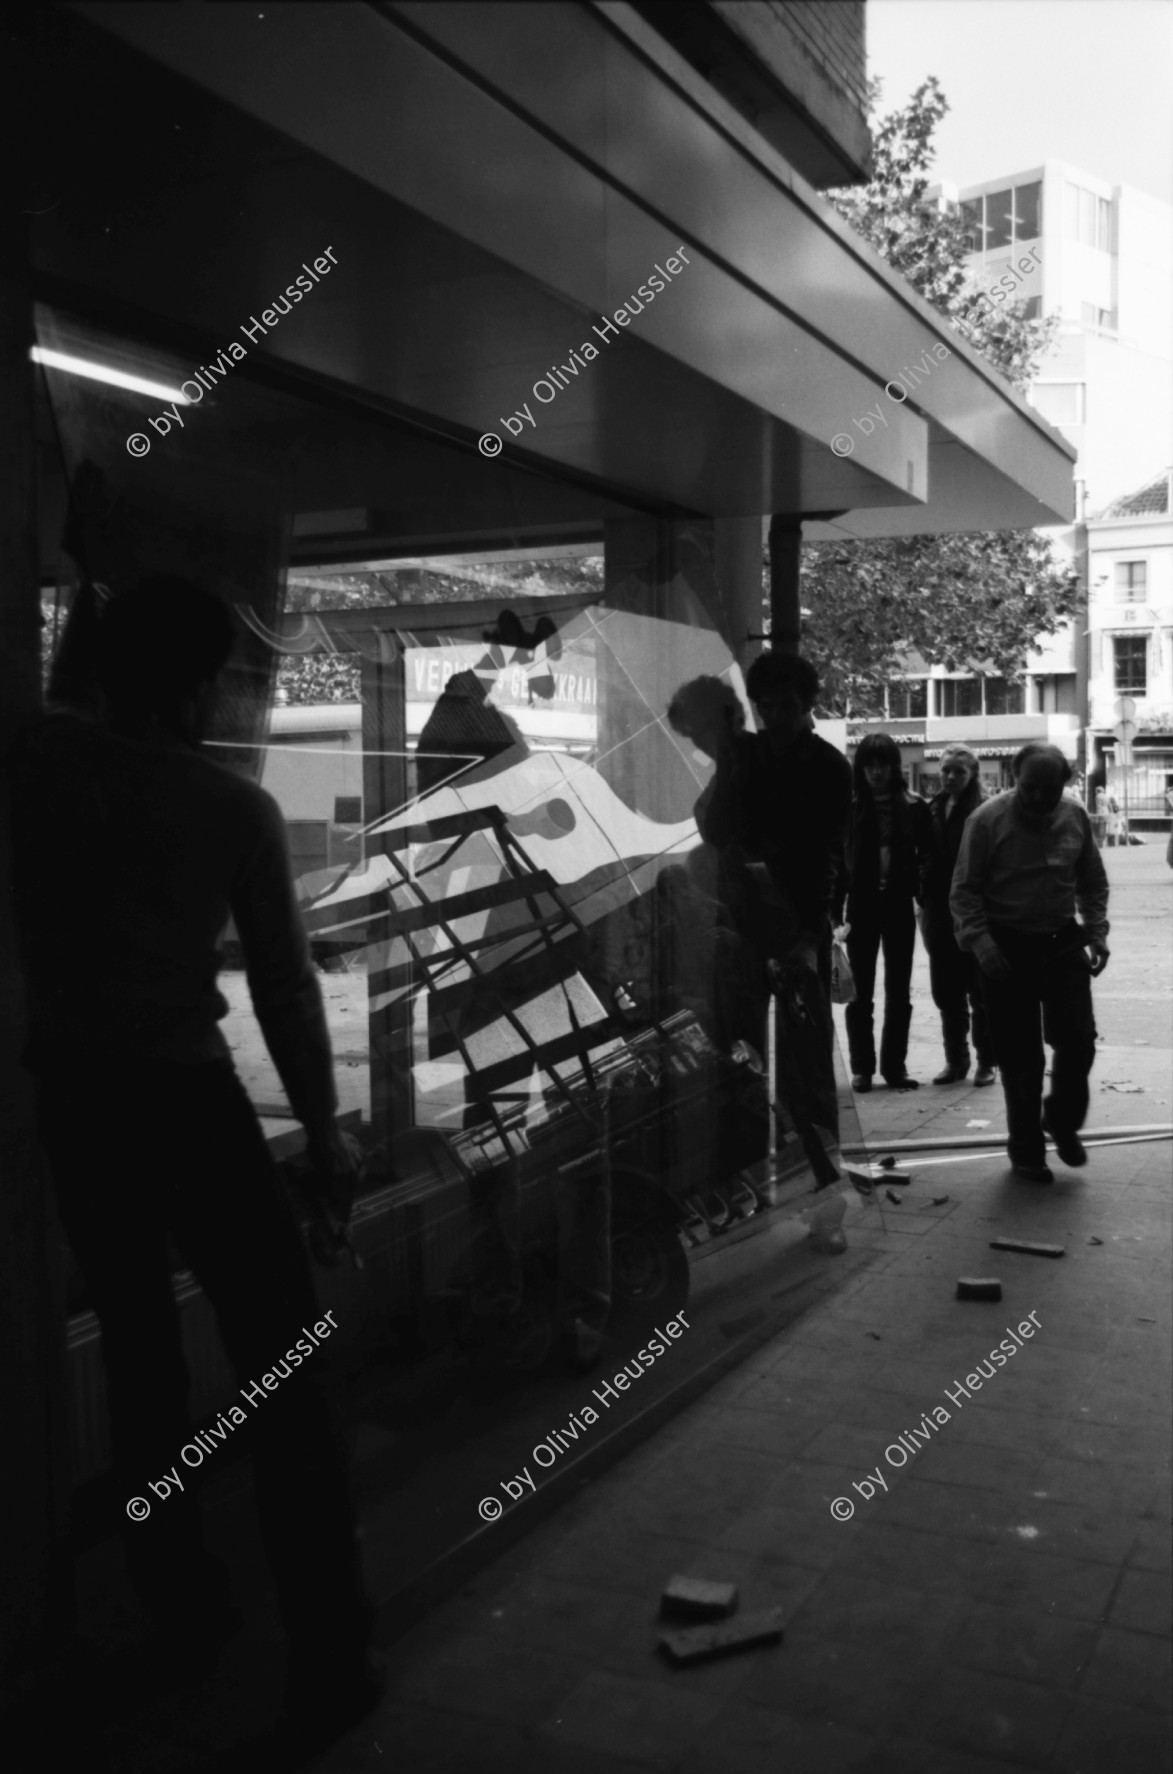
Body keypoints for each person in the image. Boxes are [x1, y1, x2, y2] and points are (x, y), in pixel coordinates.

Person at [9, 579, 382, 1745]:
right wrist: (324, 1137)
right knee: (281, 1368)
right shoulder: (227, 808)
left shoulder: (32, 767)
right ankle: (328, 1648)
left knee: (140, 1360)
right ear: (199, 681)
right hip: (186, 1097)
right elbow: (280, 987)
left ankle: (184, 1607)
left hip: (75, 1100)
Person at [674, 655, 852, 1158]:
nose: (775, 717)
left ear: (807, 705)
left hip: (794, 922)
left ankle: (821, 1179)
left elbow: (827, 858)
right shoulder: (746, 756)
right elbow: (720, 832)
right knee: (743, 1057)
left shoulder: (824, 767)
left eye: (786, 707)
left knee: (806, 1063)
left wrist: (811, 937)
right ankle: (759, 1168)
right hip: (745, 923)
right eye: (766, 707)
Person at [951, 741, 1109, 1183]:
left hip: (1060, 941)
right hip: (1006, 946)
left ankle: (1060, 1119)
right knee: (1021, 1058)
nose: (1039, 798)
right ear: (1014, 779)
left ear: (1066, 782)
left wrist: (1096, 932)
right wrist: (982, 946)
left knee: (1078, 1042)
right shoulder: (986, 821)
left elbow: (1092, 880)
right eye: (1029, 788)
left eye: (1050, 789)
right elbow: (964, 892)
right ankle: (1026, 1151)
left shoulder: (1075, 815)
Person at [834, 733, 932, 1093]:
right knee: (859, 992)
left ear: (895, 766)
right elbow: (837, 864)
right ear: (861, 768)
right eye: (869, 765)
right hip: (860, 906)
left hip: (898, 905)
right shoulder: (850, 806)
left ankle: (894, 1067)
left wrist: (919, 889)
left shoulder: (914, 805)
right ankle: (862, 1068)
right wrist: (835, 913)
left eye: (882, 765)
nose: (876, 772)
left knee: (899, 991)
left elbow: (927, 855)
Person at [922, 744, 997, 1086]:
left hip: (976, 912)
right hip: (938, 910)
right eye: (946, 770)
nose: (951, 777)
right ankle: (956, 1061)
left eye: (959, 772)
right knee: (946, 991)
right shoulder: (933, 807)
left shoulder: (983, 810)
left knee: (980, 992)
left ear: (973, 775)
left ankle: (986, 1062)